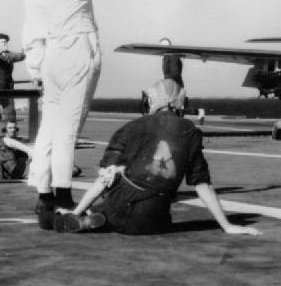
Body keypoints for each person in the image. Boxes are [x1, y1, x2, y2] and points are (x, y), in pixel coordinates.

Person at [54, 79, 261, 236]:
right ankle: (98, 216)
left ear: (153, 100)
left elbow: (105, 177)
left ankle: (88, 216)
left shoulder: (134, 127)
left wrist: (78, 210)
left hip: (120, 206)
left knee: (114, 178)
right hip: (154, 221)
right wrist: (227, 225)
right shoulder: (191, 132)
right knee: (155, 212)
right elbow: (202, 185)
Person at [22, 0, 107, 228]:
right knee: (68, 129)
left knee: (50, 129)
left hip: (51, 55)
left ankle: (43, 198)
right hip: (76, 53)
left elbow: (32, 26)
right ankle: (63, 202)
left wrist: (37, 67)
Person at [0, 33, 26, 137]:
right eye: (2, 41)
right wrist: (0, 51)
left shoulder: (10, 55)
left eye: (5, 42)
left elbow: (20, 56)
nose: (4, 43)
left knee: (11, 115)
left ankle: (11, 137)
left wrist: (26, 48)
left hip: (7, 90)